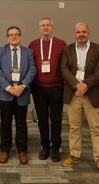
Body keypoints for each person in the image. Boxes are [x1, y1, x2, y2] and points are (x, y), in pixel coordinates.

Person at [61, 22, 99, 175]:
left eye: (84, 32)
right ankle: (74, 155)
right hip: (74, 94)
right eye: (78, 32)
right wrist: (77, 85)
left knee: (96, 129)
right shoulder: (67, 49)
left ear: (88, 33)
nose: (81, 34)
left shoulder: (98, 49)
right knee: (74, 128)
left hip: (93, 94)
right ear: (74, 33)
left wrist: (85, 85)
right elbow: (64, 69)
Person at [0, 26, 36, 164]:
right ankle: (5, 150)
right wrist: (8, 87)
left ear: (20, 36)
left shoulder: (28, 52)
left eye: (16, 34)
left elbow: (32, 69)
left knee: (21, 124)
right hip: (5, 94)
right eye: (11, 35)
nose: (14, 37)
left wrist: (22, 86)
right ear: (7, 37)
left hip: (22, 93)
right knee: (5, 123)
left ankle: (22, 151)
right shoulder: (1, 50)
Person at [28, 17, 66, 162]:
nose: (45, 28)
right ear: (39, 28)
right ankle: (45, 146)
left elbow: (65, 66)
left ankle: (56, 148)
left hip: (57, 88)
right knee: (42, 119)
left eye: (48, 25)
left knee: (56, 120)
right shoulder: (33, 44)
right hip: (38, 88)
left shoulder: (61, 44)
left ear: (52, 27)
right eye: (43, 25)